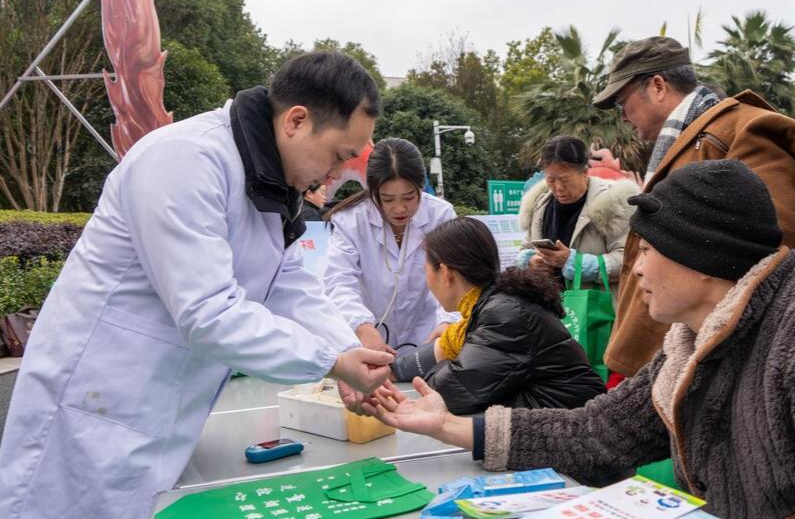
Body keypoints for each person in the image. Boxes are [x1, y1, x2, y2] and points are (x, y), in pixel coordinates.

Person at [365, 160, 795, 519]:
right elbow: (600, 432)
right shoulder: (694, 339)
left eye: (647, 251)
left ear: (702, 260)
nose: (633, 271)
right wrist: (447, 425)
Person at [0, 52, 395, 519]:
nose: (334, 176)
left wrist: (349, 350)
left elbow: (286, 280)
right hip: (93, 416)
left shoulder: (268, 183)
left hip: (156, 416)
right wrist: (332, 362)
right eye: (337, 156)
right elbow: (209, 312)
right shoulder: (184, 160)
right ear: (296, 121)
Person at [592, 36, 795, 382]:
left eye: (623, 104)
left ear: (657, 86)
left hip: (700, 358)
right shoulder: (681, 139)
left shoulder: (745, 129)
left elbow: (769, 254)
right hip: (663, 351)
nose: (623, 118)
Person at [390, 218, 605, 414]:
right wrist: (393, 368)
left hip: (573, 431)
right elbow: (445, 350)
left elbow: (450, 392)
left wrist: (444, 360)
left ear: (445, 273)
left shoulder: (504, 315)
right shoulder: (495, 303)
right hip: (555, 423)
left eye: (425, 269)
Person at [324, 138, 458, 354]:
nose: (399, 208)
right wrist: (361, 325)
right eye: (386, 199)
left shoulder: (441, 215)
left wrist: (448, 323)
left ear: (421, 187)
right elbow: (338, 281)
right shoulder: (351, 221)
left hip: (429, 339)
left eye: (408, 197)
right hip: (366, 341)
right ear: (373, 191)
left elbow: (456, 278)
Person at [518, 135, 638, 291]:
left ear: (585, 172)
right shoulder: (539, 203)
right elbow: (525, 248)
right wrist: (531, 261)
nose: (558, 187)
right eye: (551, 180)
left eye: (565, 179)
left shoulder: (613, 202)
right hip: (547, 307)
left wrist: (573, 262)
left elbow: (629, 260)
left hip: (595, 311)